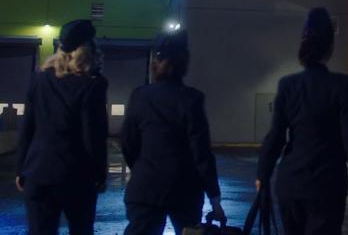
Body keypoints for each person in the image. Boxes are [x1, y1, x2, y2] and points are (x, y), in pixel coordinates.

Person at [257, 8, 348, 234]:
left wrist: (263, 174)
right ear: (330, 47)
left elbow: (276, 137)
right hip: (327, 186)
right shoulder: (343, 86)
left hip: (290, 184)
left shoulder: (287, 85)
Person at [121, 30, 226, 235]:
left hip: (145, 190)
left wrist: (143, 167)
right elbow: (201, 153)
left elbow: (128, 142)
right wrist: (214, 198)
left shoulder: (140, 96)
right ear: (183, 64)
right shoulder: (192, 99)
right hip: (184, 191)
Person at [16, 19, 109, 235]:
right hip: (77, 177)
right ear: (88, 49)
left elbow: (27, 127)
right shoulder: (93, 84)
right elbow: (93, 134)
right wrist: (99, 174)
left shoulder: (39, 80)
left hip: (38, 174)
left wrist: (22, 169)